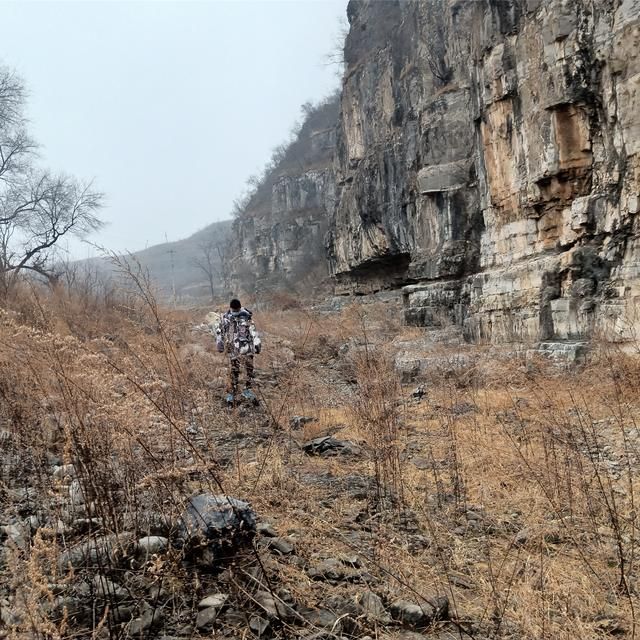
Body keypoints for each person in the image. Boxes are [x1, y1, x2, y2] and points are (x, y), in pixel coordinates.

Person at [215, 298, 261, 405]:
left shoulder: (246, 317)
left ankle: (247, 390)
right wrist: (219, 343)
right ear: (231, 308)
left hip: (247, 349)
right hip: (233, 350)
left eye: (237, 310)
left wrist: (257, 343)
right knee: (234, 371)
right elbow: (219, 332)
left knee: (249, 369)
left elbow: (253, 332)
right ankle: (232, 392)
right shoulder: (225, 318)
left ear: (240, 307)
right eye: (234, 310)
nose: (235, 312)